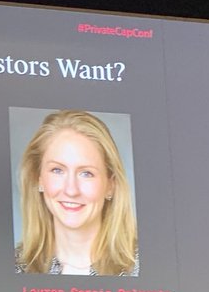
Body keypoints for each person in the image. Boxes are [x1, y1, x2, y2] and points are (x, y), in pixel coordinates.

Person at [14, 110, 138, 276]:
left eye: (86, 173)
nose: (71, 190)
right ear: (39, 179)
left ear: (110, 185)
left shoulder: (147, 265)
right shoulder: (16, 267)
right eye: (57, 170)